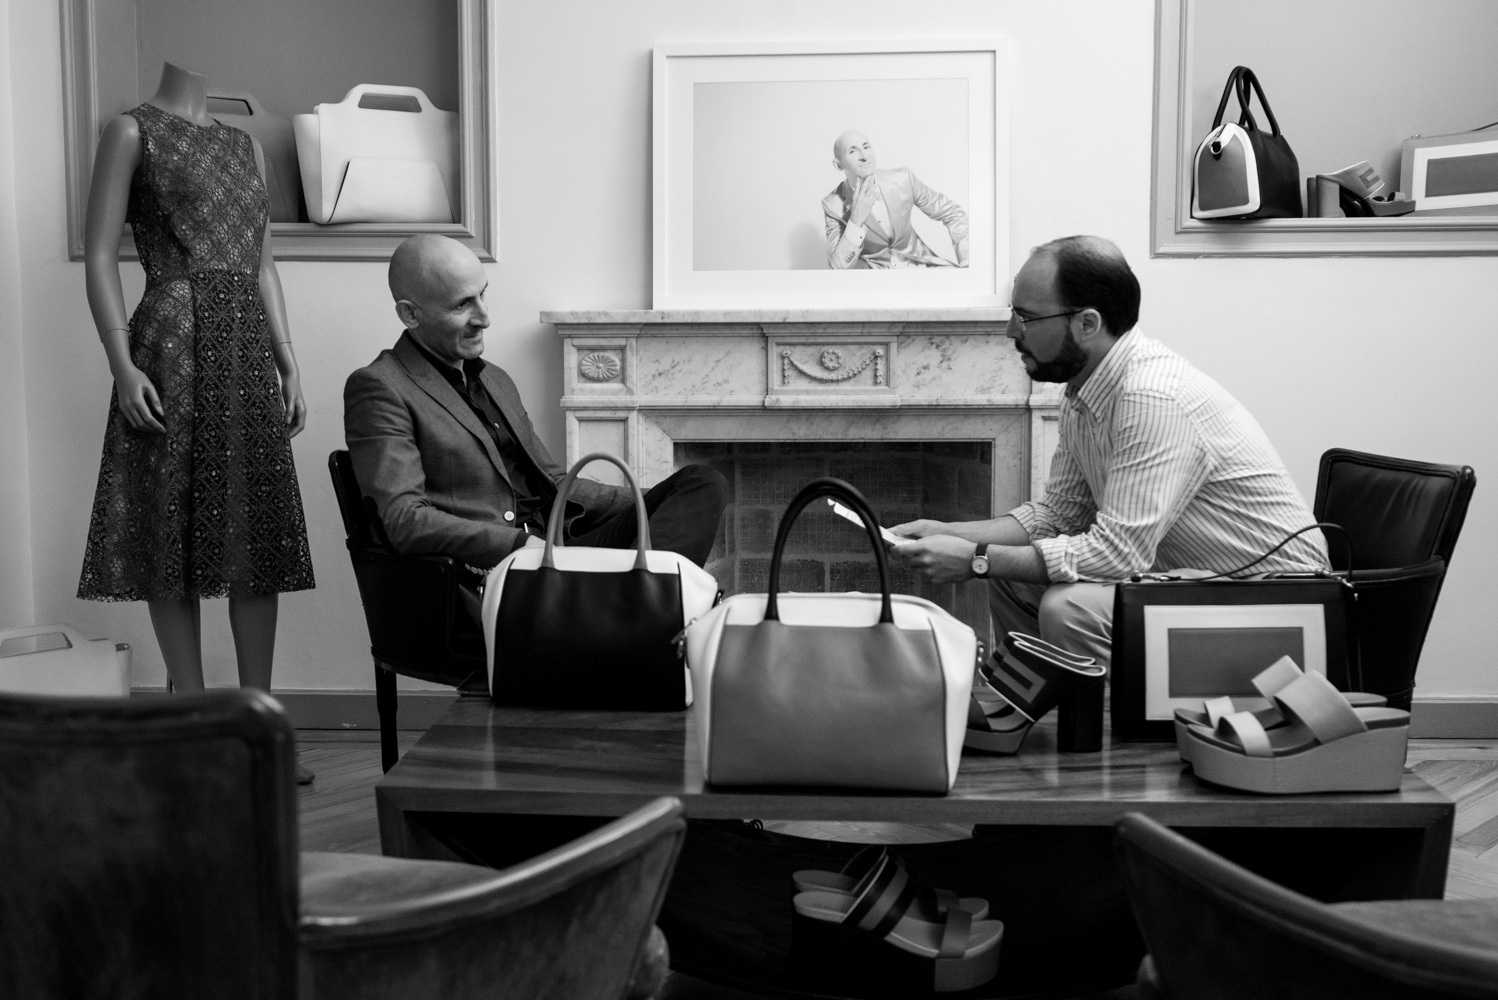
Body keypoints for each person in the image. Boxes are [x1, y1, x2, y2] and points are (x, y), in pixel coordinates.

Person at [890, 235, 1328, 668]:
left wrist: (977, 559)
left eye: (1026, 317)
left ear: (1087, 323)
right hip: (1199, 584)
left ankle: (1105, 716)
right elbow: (1059, 515)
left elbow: (1118, 554)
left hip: (1282, 602)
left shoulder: (1152, 398)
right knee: (1009, 578)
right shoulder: (1084, 390)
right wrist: (951, 533)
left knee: (1069, 607)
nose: (1011, 331)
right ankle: (1040, 705)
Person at [77, 63, 316, 779]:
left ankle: (256, 728)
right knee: (169, 524)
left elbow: (263, 264)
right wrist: (122, 363)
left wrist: (288, 359)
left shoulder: (247, 147)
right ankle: (192, 720)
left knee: (256, 532)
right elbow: (99, 253)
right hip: (171, 344)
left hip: (245, 345)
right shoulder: (130, 132)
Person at [343, 235, 728, 647]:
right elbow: (404, 519)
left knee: (700, 483)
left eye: (482, 295)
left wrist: (649, 502)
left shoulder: (494, 379)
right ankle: (640, 622)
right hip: (505, 573)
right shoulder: (381, 387)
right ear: (410, 314)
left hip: (562, 550)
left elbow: (554, 482)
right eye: (462, 305)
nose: (484, 318)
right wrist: (519, 544)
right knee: (657, 607)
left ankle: (626, 616)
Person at [822, 130, 970, 270]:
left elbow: (953, 213)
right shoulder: (832, 205)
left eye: (866, 147)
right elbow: (837, 267)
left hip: (924, 270)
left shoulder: (903, 179)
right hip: (880, 283)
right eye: (853, 151)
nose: (864, 156)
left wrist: (967, 262)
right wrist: (855, 221)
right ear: (838, 165)